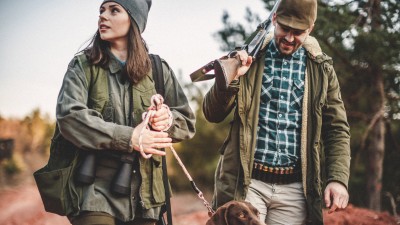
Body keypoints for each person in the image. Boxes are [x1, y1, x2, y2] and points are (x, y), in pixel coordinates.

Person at [202, 0, 350, 224]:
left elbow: (337, 129)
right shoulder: (249, 57)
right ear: (274, 20)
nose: (289, 38)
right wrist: (232, 78)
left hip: (295, 190)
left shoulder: (322, 69)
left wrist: (337, 179)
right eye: (284, 28)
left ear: (310, 28)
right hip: (247, 183)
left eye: (298, 32)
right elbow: (212, 114)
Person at [49, 0, 195, 225]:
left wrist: (165, 119)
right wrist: (131, 138)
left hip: (145, 197)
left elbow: (187, 122)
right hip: (92, 189)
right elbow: (69, 116)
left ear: (134, 21)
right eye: (101, 10)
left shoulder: (158, 69)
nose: (103, 16)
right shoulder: (83, 65)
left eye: (114, 10)